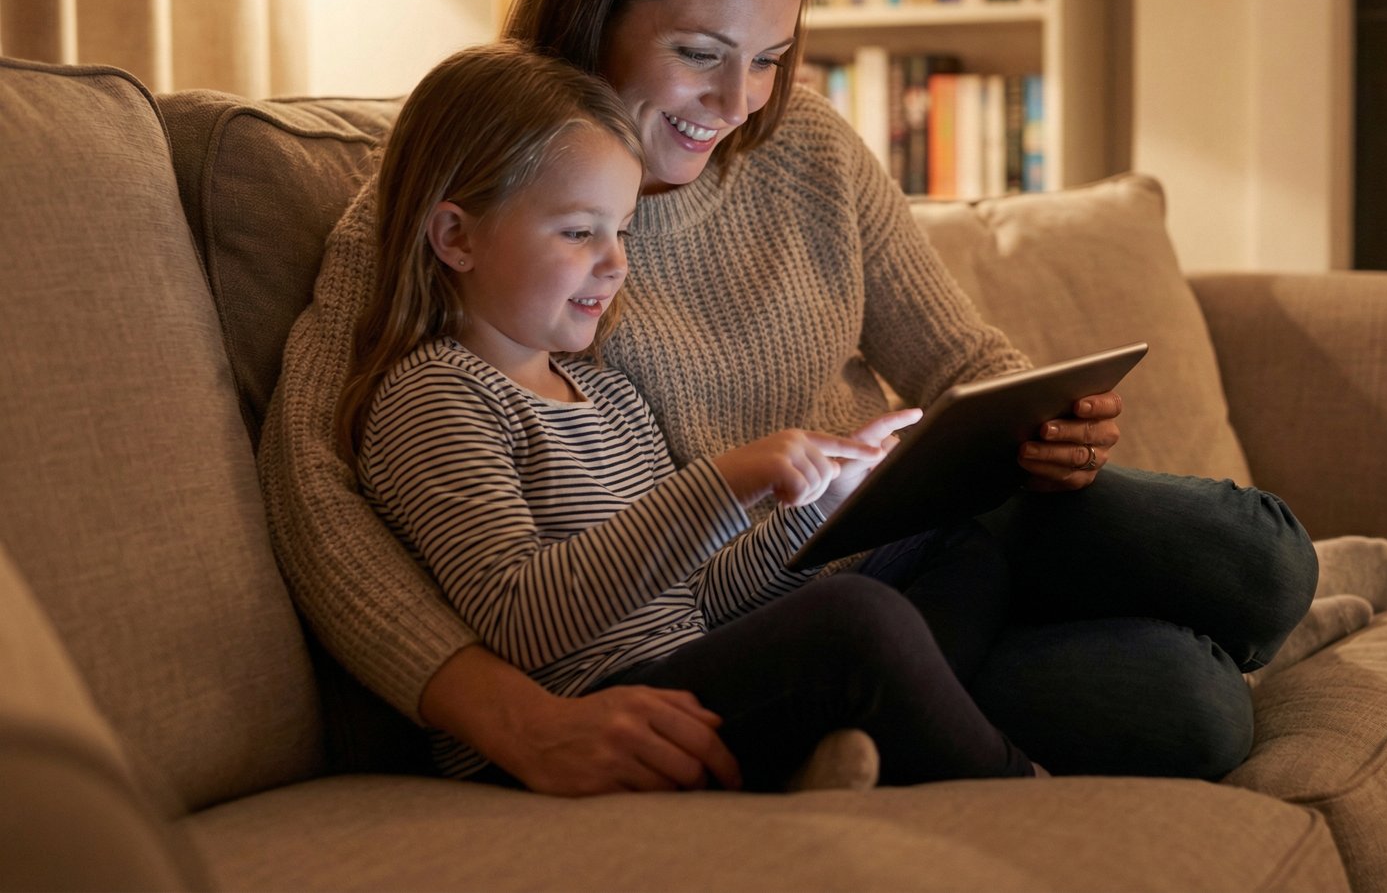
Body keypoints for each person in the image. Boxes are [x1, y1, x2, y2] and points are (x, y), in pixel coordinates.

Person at [260, 0, 1337, 797]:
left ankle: (1258, 605)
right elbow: (311, 483)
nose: (737, 103)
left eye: (770, 59)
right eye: (699, 54)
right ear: (594, 6)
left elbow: (961, 360)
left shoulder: (804, 144)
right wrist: (513, 718)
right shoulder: (460, 198)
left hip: (897, 542)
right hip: (773, 627)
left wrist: (1041, 421)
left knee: (1262, 559)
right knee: (1194, 709)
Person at [336, 40, 1039, 789]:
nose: (616, 263)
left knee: (957, 545)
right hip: (595, 713)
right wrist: (722, 484)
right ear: (456, 237)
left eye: (622, 230)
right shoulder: (435, 397)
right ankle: (1013, 782)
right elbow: (519, 620)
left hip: (685, 672)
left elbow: (701, 600)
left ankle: (856, 748)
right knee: (855, 618)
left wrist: (820, 510)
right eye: (578, 232)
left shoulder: (609, 395)